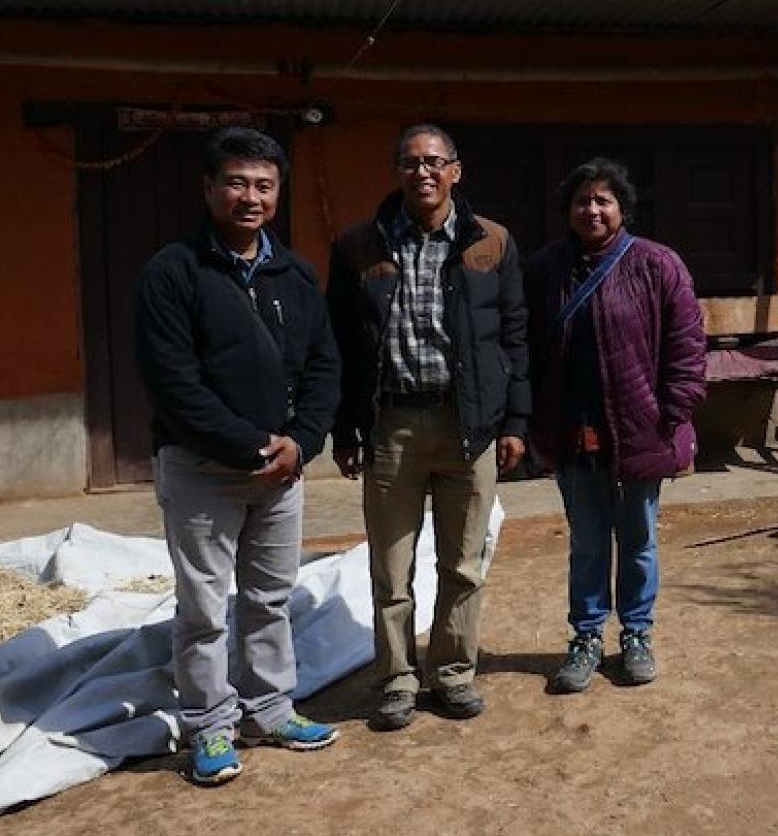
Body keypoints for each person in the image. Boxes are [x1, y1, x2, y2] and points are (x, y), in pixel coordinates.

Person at [135, 127, 342, 787]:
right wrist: (254, 446)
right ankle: (209, 725)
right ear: (209, 188)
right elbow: (173, 384)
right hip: (203, 470)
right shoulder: (173, 271)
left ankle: (270, 710)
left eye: (263, 184)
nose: (248, 196)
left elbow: (324, 367)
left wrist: (302, 441)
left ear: (277, 193)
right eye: (236, 182)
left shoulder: (296, 273)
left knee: (270, 598)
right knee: (201, 608)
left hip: (283, 471)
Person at [326, 123, 529, 731]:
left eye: (435, 162)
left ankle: (452, 673)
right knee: (392, 569)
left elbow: (515, 334)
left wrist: (515, 420)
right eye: (411, 162)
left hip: (467, 425)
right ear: (397, 171)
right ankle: (396, 679)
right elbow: (340, 344)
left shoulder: (491, 241)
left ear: (456, 171)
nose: (424, 172)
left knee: (463, 563)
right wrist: (346, 429)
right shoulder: (359, 245)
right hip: (391, 425)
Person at [525, 157, 706, 694]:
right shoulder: (544, 269)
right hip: (573, 429)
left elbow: (687, 346)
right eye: (583, 200)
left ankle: (636, 634)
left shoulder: (657, 265)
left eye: (604, 199)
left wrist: (670, 416)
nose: (593, 209)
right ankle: (585, 638)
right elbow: (524, 347)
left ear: (624, 208)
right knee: (586, 542)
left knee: (639, 539)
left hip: (638, 431)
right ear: (569, 210)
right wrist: (533, 421)